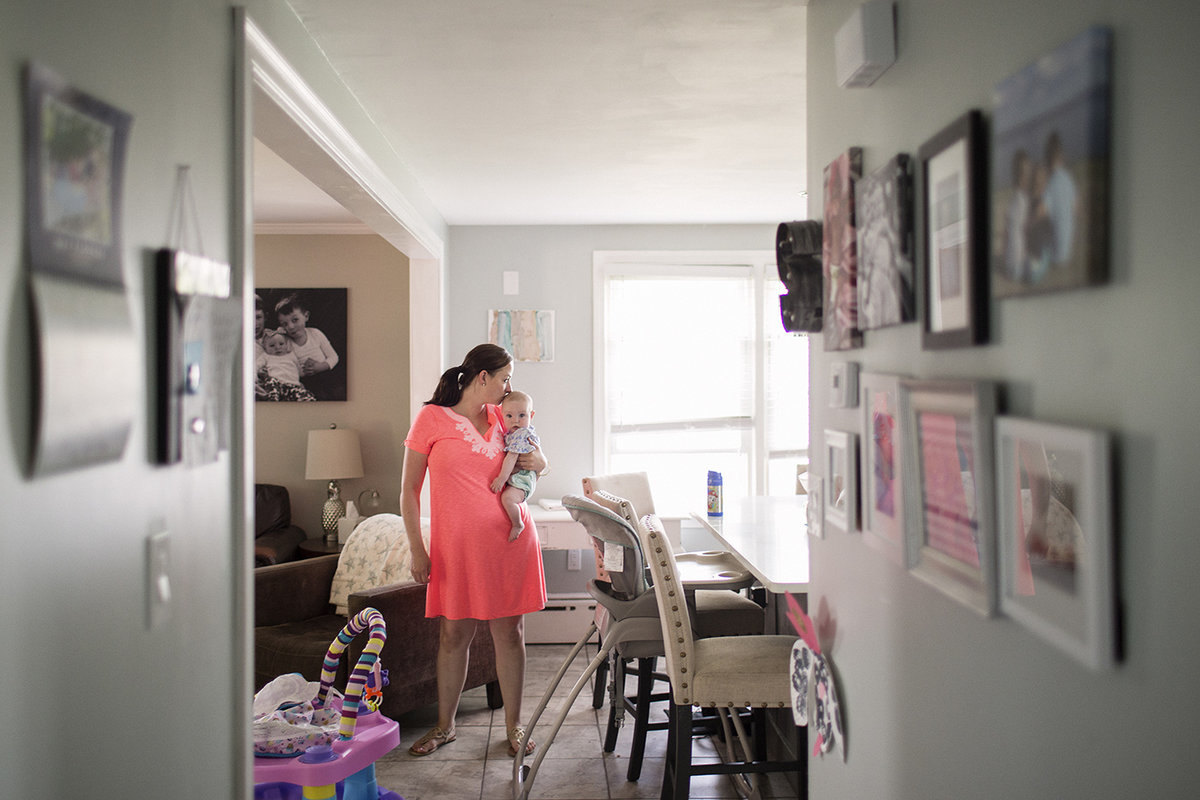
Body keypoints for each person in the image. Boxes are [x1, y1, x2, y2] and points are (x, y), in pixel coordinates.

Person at [400, 344, 547, 758]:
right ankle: (444, 726)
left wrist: (537, 461)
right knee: (453, 635)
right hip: (456, 551)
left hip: (510, 543)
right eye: (505, 378)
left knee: (510, 633)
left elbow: (539, 462)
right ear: (483, 377)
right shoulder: (431, 418)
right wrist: (417, 549)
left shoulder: (507, 416)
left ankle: (515, 726)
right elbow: (408, 491)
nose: (509, 387)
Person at [489, 390, 540, 541]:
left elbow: (511, 457)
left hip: (522, 479)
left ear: (531, 415)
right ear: (502, 415)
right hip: (521, 477)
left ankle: (517, 524)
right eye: (509, 416)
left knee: (507, 499)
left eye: (522, 415)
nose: (515, 421)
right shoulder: (513, 433)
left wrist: (501, 479)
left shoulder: (521, 434)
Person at [274, 293, 340, 380]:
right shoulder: (286, 342)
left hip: (325, 375)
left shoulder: (315, 333)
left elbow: (334, 357)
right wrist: (279, 335)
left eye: (295, 320)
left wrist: (321, 366)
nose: (290, 326)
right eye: (284, 324)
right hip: (302, 381)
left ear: (306, 316)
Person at [255, 330, 316, 402]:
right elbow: (255, 366)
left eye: (281, 344)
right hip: (277, 383)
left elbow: (299, 370)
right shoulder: (266, 356)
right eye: (272, 346)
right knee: (270, 381)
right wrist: (255, 377)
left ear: (287, 345)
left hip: (292, 385)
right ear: (265, 348)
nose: (277, 347)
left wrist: (309, 366)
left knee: (306, 396)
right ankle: (272, 399)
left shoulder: (291, 355)